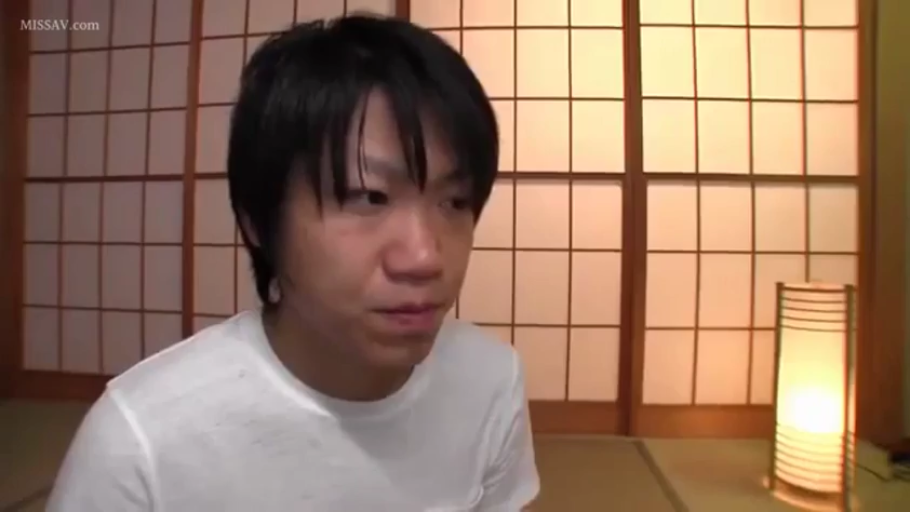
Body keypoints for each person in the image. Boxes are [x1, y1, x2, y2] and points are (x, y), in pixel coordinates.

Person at [46, 13, 540, 512]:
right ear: (259, 223)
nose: (424, 257)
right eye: (369, 196)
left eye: (454, 201)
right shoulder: (142, 443)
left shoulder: (491, 382)